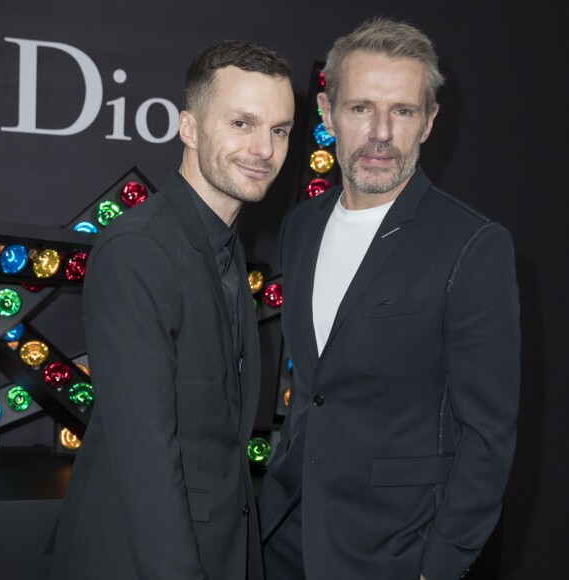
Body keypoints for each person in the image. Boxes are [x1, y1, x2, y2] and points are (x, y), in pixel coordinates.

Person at [258, 17, 520, 580]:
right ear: (327, 115)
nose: (380, 132)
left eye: (401, 111)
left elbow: (489, 435)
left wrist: (439, 564)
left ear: (428, 122)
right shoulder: (300, 225)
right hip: (283, 531)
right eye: (360, 108)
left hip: (394, 550)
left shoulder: (472, 244)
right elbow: (315, 389)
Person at [49, 40, 294, 580]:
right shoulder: (138, 251)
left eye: (278, 130)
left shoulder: (224, 250)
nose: (263, 148)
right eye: (241, 123)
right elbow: (147, 465)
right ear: (188, 128)